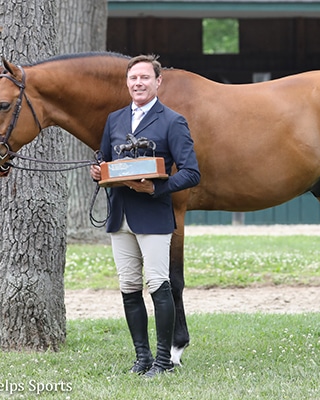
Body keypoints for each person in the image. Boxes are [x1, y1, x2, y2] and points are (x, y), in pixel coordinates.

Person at [90, 55, 200, 378]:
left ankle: (164, 361)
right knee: (128, 286)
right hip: (120, 216)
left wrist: (156, 189)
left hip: (153, 214)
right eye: (133, 78)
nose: (138, 83)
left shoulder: (173, 121)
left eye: (144, 78)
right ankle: (142, 357)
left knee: (157, 283)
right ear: (127, 83)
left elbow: (192, 173)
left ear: (157, 82)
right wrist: (98, 171)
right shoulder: (115, 120)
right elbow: (106, 160)